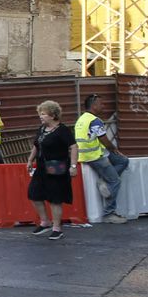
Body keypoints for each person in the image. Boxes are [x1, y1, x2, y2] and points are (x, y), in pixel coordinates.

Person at [26, 99, 78, 241]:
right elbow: (36, 145)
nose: (40, 116)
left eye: (43, 114)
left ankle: (57, 228)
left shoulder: (62, 130)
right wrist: (30, 160)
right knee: (34, 193)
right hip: (41, 168)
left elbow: (73, 146)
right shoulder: (42, 129)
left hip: (57, 168)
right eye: (40, 114)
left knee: (55, 199)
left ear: (53, 115)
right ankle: (45, 222)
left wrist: (73, 166)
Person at [75, 93, 129, 224]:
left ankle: (104, 181)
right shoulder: (95, 121)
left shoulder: (81, 119)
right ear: (94, 106)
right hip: (95, 156)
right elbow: (103, 139)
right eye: (101, 104)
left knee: (123, 161)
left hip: (89, 154)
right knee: (115, 181)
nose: (103, 106)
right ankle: (109, 214)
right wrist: (114, 149)